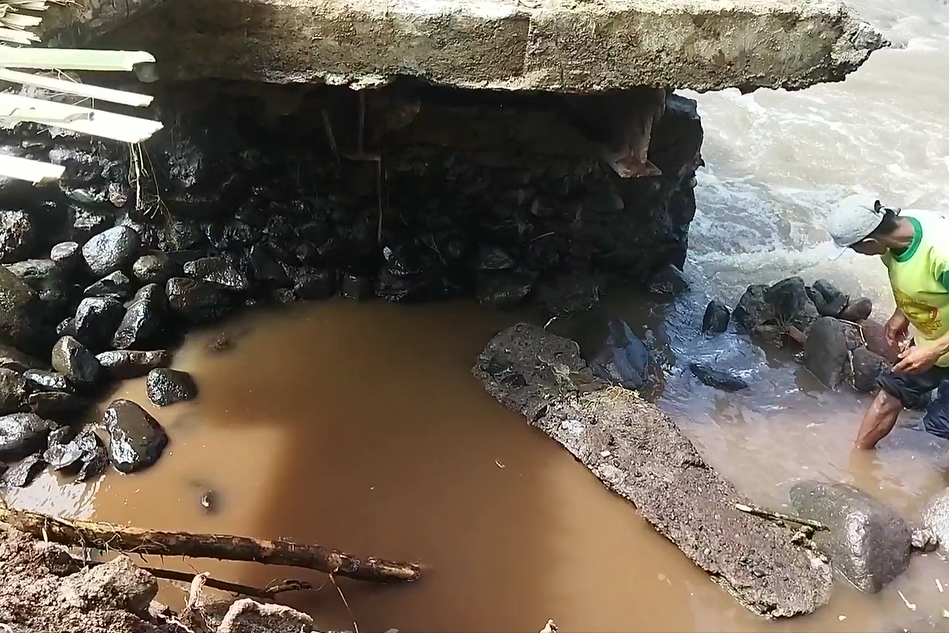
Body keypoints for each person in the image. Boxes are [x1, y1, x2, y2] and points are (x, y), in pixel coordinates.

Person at [825, 195, 949, 448]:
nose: (857, 253)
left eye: (854, 247)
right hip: (932, 341)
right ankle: (857, 461)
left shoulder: (942, 253)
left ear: (870, 241)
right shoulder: (895, 236)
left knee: (946, 426)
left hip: (936, 346)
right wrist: (901, 313)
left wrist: (933, 351)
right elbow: (918, 279)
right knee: (890, 394)